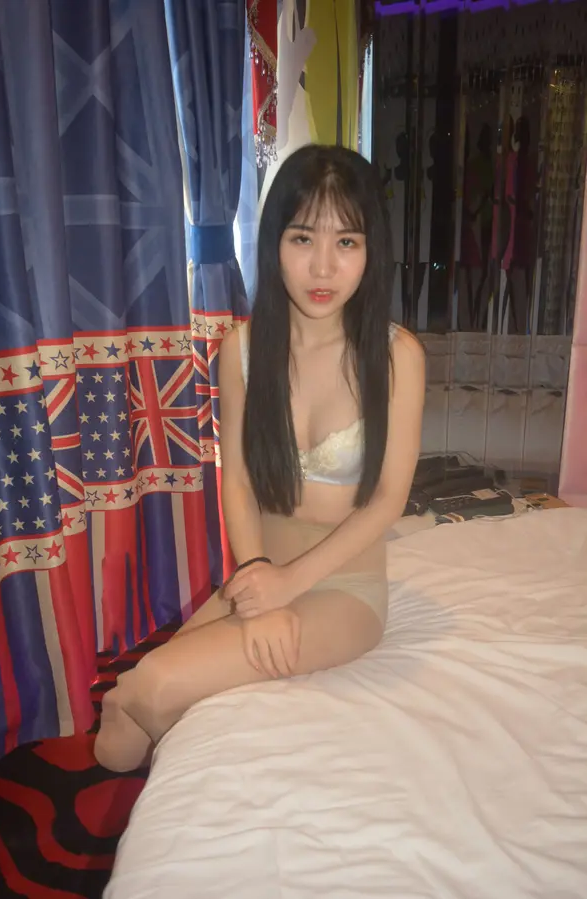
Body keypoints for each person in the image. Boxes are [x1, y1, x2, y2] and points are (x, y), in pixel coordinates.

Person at [94, 144, 426, 773]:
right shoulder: (242, 348)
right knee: (126, 721)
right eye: (303, 238)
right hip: (258, 572)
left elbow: (387, 501)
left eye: (346, 242)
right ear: (274, 242)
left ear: (371, 250)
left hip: (345, 586)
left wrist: (287, 588)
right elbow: (240, 483)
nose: (322, 266)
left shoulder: (396, 357)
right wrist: (258, 575)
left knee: (151, 687)